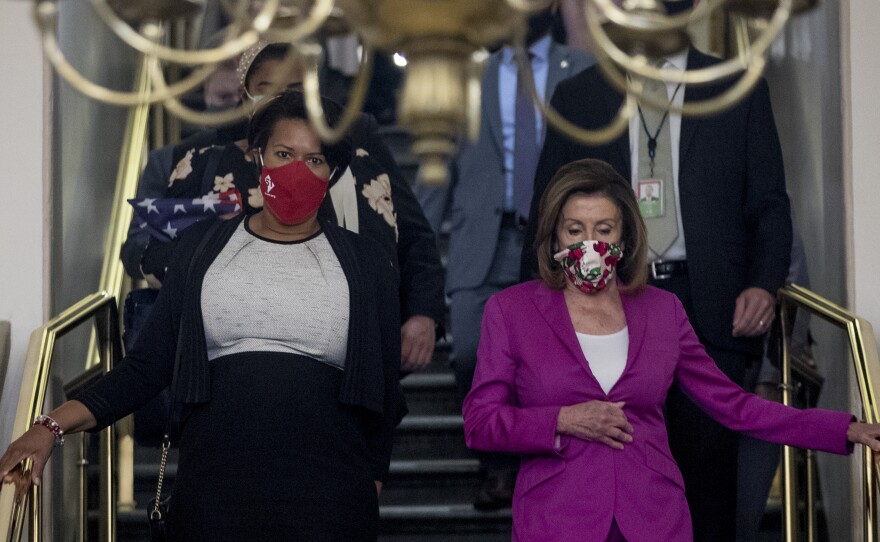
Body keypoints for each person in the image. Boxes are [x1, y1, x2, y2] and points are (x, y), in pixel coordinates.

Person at [1, 92, 401, 541]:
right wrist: (50, 426)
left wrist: (371, 484)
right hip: (214, 497)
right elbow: (146, 367)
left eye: (315, 159)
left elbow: (386, 392)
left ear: (332, 172)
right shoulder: (202, 250)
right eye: (283, 154)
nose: (296, 171)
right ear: (258, 157)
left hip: (330, 500)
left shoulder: (365, 264)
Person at [463, 159, 880, 542]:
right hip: (554, 519)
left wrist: (842, 428)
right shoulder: (511, 311)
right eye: (575, 230)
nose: (589, 243)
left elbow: (733, 405)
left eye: (603, 230)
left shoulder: (663, 311)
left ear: (624, 235)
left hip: (654, 517)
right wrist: (564, 419)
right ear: (555, 233)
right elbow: (481, 422)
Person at [518, 20, 791, 540]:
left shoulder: (737, 84)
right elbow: (546, 212)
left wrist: (764, 283)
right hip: (607, 302)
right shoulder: (578, 95)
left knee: (710, 481)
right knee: (613, 469)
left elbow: (771, 205)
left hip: (712, 304)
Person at [124, 41, 444, 373]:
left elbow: (409, 231)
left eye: (294, 88)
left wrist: (423, 313)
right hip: (231, 350)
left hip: (347, 343)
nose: (283, 99)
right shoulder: (203, 157)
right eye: (268, 89)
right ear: (245, 93)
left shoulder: (354, 140)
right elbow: (160, 251)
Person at [416, 3, 593, 509]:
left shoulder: (580, 70)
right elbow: (437, 168)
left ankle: (541, 465)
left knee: (554, 362)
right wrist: (410, 243)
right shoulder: (468, 75)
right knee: (472, 352)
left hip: (557, 244)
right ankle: (495, 462)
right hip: (483, 246)